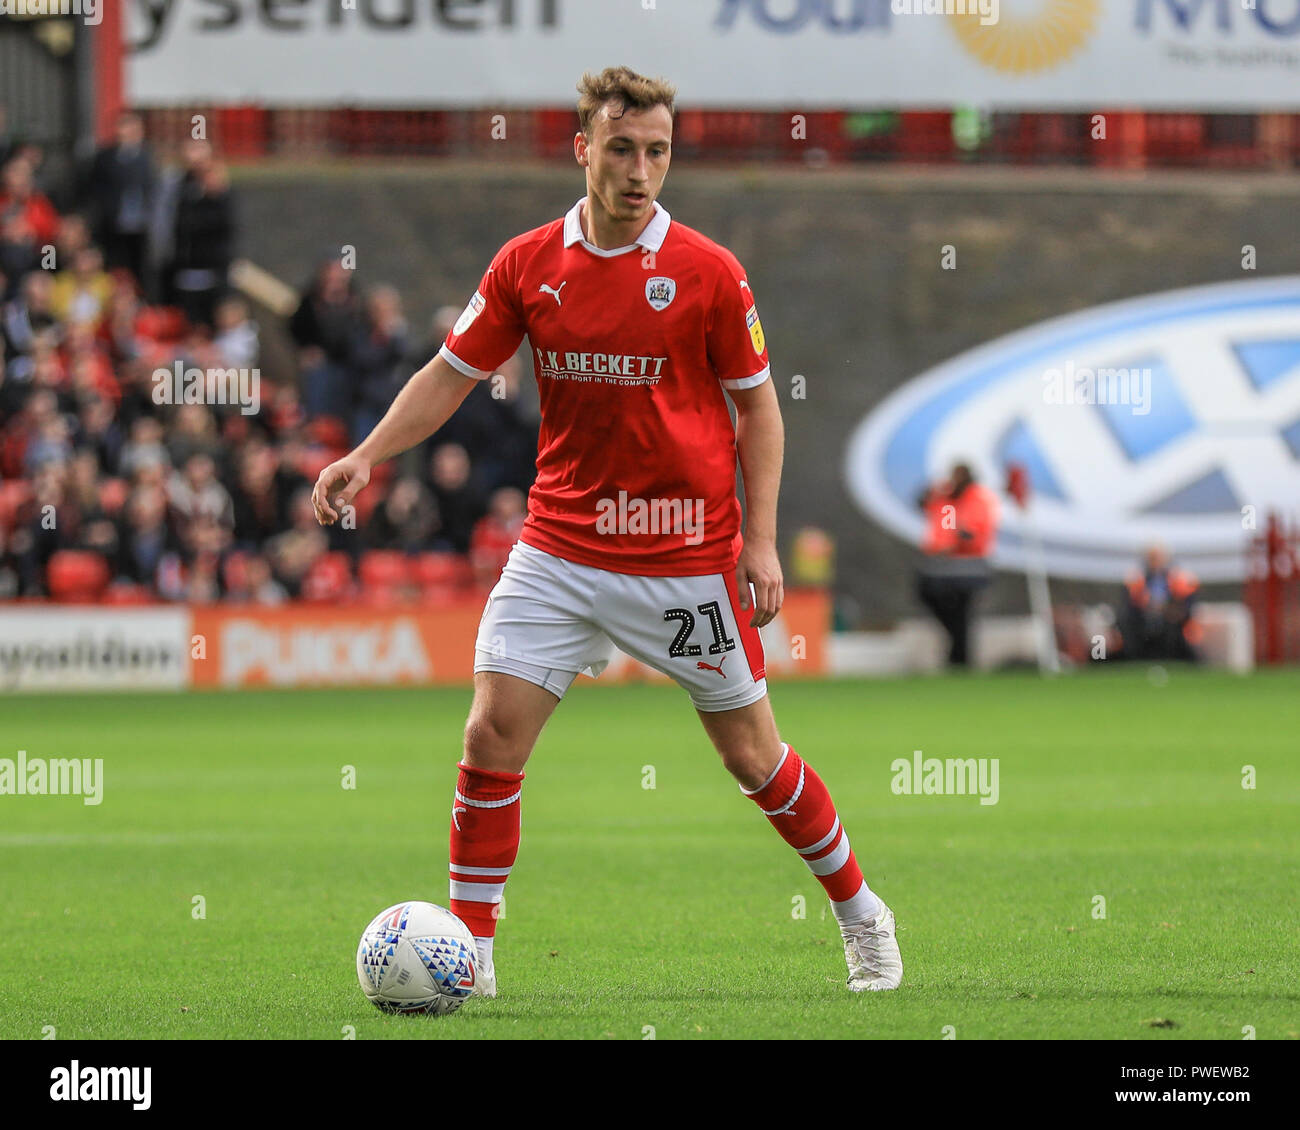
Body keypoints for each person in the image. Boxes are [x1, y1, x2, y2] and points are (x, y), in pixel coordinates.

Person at [311, 66, 901, 996]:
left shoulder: (709, 274)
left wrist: (761, 541)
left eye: (657, 152)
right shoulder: (527, 263)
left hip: (683, 560)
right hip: (560, 548)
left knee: (754, 758)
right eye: (621, 149)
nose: (640, 170)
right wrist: (367, 456)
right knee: (490, 735)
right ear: (583, 148)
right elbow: (448, 374)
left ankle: (861, 912)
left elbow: (761, 414)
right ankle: (473, 956)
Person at [916, 462, 999, 667]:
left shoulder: (977, 499)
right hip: (945, 567)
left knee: (961, 613)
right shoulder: (948, 500)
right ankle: (958, 652)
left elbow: (974, 531)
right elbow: (945, 524)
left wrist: (958, 540)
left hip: (968, 566)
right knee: (942, 606)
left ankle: (960, 659)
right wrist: (946, 543)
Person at [1118, 544, 1200, 661]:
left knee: (1172, 625)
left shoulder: (1177, 578)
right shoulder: (1136, 579)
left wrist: (1168, 609)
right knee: (1126, 620)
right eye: (1152, 558)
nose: (1155, 561)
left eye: (1158, 557)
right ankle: (1135, 657)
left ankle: (1172, 658)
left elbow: (1187, 605)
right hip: (1144, 619)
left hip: (1171, 619)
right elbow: (1129, 604)